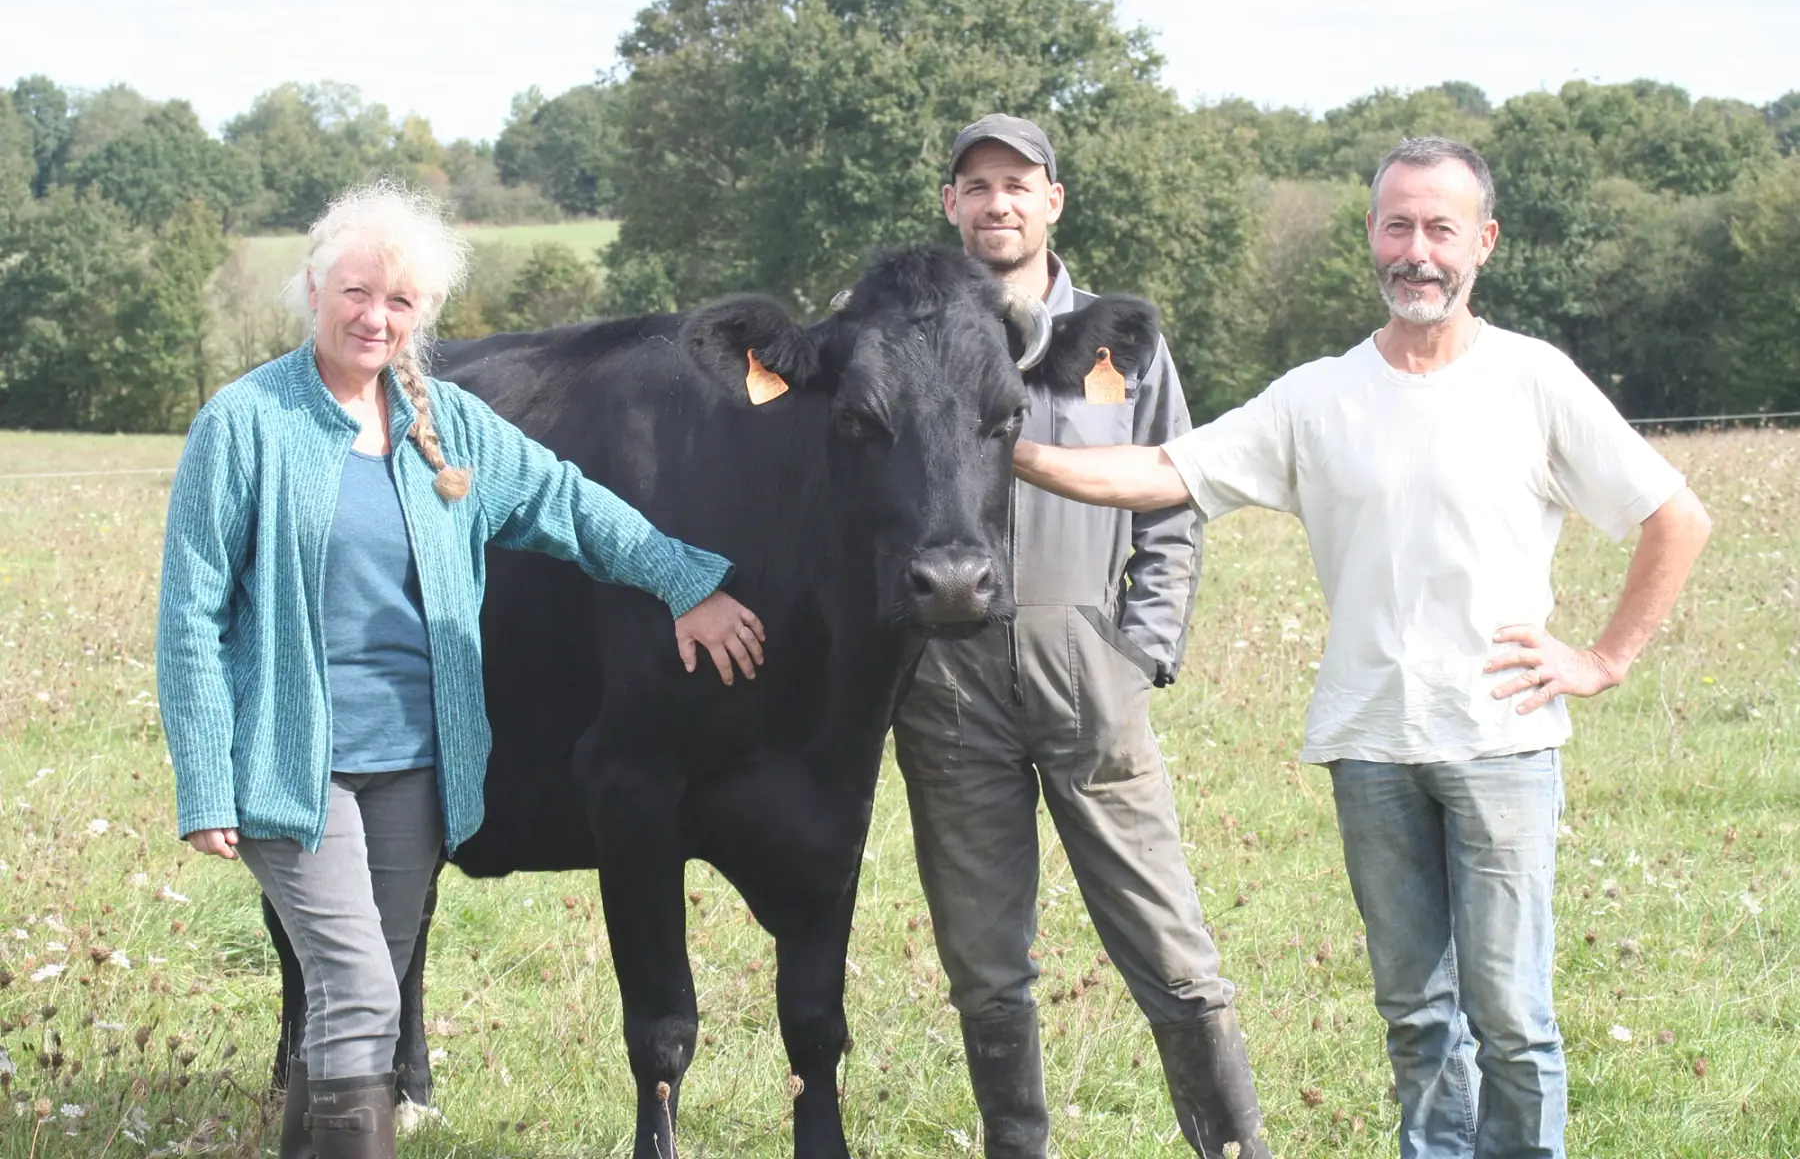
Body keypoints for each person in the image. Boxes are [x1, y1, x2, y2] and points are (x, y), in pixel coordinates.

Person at [1012, 136, 1713, 1159]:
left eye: (1440, 227)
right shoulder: (1316, 397)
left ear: (1484, 240)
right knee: (1418, 1017)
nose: (1417, 250)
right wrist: (1006, 446)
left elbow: (1676, 516)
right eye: (1398, 225)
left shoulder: (1534, 380)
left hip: (1502, 743)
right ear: (1371, 238)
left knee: (1512, 1021)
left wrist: (1603, 659)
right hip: (1370, 745)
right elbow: (1159, 471)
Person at [156, 182, 765, 1159]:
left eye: (400, 302)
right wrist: (205, 772)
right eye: (357, 292)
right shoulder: (244, 424)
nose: (375, 317)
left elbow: (573, 508)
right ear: (313, 287)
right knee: (358, 991)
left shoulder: (446, 429)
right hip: (288, 760)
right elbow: (190, 610)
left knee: (354, 997)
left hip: (414, 763)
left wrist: (685, 582)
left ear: (425, 314)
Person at [892, 114, 1270, 1158]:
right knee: (981, 956)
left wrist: (1140, 647)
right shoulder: (907, 335)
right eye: (976, 185)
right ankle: (1018, 1147)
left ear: (1054, 200)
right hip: (947, 686)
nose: (997, 202)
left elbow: (1176, 498)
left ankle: (1234, 1148)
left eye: (1018, 184)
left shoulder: (1117, 341)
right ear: (950, 205)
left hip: (1087, 667)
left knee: (1169, 941)